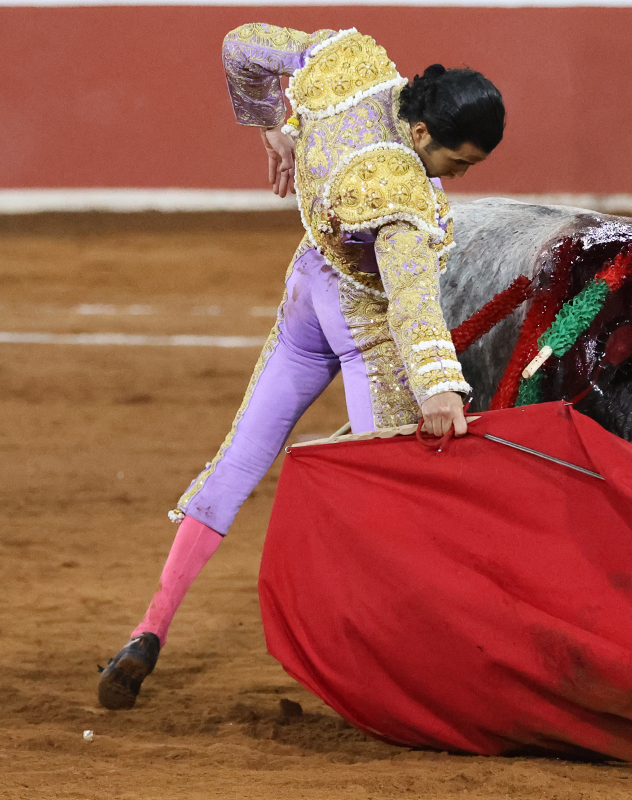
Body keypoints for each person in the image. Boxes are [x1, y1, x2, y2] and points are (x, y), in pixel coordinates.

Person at [97, 22, 505, 710]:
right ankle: (390, 670)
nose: (458, 177)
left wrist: (271, 127)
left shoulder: (349, 62)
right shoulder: (399, 190)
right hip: (363, 328)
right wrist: (439, 386)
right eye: (458, 163)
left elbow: (240, 45)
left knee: (237, 460)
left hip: (307, 294)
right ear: (422, 132)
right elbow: (410, 300)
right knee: (386, 498)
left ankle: (148, 630)